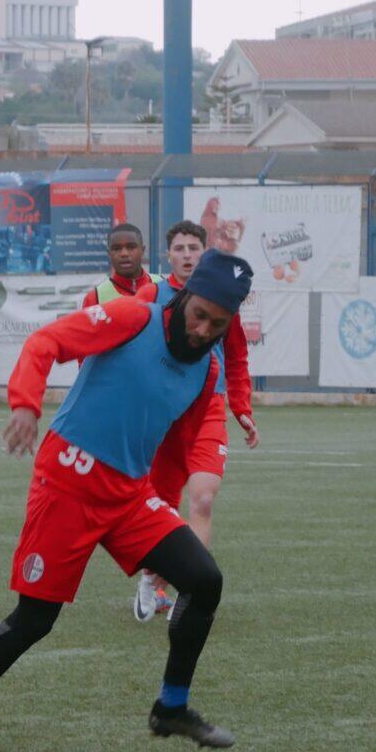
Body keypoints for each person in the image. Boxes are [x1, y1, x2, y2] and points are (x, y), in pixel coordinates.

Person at [0, 248, 254, 752]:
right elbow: (46, 342)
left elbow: (176, 448)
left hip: (128, 496)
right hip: (69, 482)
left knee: (204, 580)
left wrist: (167, 513)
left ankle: (170, 709)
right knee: (35, 620)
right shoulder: (131, 317)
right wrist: (25, 405)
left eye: (219, 324)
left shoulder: (207, 371)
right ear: (183, 296)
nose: (205, 330)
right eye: (200, 315)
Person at [130, 221, 259, 623]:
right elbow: (131, 346)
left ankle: (190, 596)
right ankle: (153, 579)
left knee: (202, 498)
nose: (187, 254)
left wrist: (241, 408)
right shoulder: (152, 295)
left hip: (208, 411)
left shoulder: (223, 303)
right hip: (163, 415)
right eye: (180, 248)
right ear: (168, 256)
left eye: (194, 248)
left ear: (204, 254)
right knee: (161, 511)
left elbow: (236, 358)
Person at [80, 223, 162, 308]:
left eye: (131, 247)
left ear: (142, 250)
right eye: (116, 248)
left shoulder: (164, 286)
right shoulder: (95, 298)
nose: (124, 254)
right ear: (109, 254)